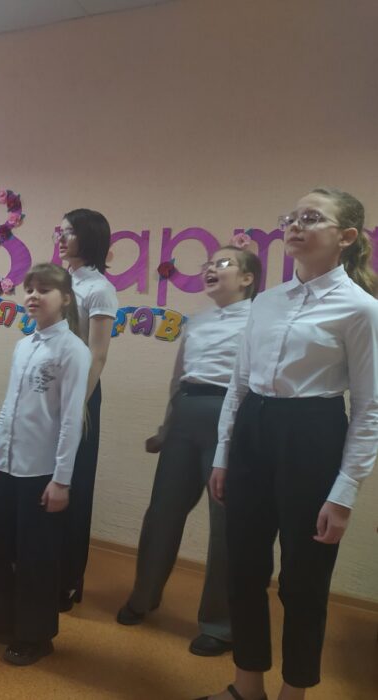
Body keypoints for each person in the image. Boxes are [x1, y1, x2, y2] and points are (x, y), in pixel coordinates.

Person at [199, 188, 378, 700]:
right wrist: (223, 455)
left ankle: (293, 692)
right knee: (243, 566)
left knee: (304, 581)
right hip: (252, 432)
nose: (295, 225)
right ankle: (246, 686)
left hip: (313, 436)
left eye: (311, 218)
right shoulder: (266, 301)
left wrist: (344, 493)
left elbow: (369, 407)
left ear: (346, 237)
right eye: (291, 217)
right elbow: (238, 384)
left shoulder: (361, 309)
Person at [117, 244, 261, 657]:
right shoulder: (196, 322)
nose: (211, 268)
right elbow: (178, 378)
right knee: (162, 512)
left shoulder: (260, 320)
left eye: (223, 263)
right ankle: (143, 597)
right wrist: (166, 427)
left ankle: (219, 624)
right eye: (209, 263)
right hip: (186, 415)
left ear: (247, 278)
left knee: (225, 525)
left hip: (231, 418)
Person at [0, 263, 91, 666]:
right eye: (29, 289)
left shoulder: (73, 351)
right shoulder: (23, 345)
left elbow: (71, 419)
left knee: (36, 555)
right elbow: (10, 406)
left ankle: (35, 635)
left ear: (65, 299)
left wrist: (62, 480)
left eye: (44, 290)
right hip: (5, 463)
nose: (33, 296)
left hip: (41, 470)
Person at [54, 208, 118, 609]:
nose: (62, 239)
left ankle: (68, 578)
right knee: (43, 477)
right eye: (60, 232)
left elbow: (98, 355)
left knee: (73, 484)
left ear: (90, 238)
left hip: (80, 394)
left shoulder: (99, 288)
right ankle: (40, 566)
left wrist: (77, 403)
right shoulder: (60, 281)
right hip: (48, 388)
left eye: (70, 232)